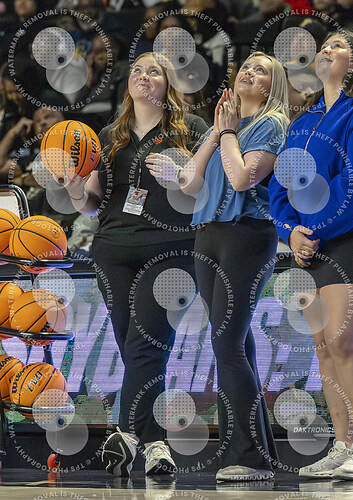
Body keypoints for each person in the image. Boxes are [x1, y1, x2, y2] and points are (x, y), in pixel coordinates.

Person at [61, 51, 208, 476]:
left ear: (169, 83)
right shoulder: (109, 135)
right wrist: (73, 185)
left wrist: (180, 179)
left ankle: (128, 434)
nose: (143, 76)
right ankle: (153, 443)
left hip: (172, 249)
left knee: (147, 344)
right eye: (137, 70)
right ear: (128, 83)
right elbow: (90, 204)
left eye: (154, 71)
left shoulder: (192, 129)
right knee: (133, 347)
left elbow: (210, 192)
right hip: (114, 249)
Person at [149, 52, 289, 481]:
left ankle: (250, 458)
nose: (249, 72)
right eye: (246, 66)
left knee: (227, 345)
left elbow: (243, 178)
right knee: (234, 344)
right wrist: (215, 132)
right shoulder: (225, 124)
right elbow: (192, 184)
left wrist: (227, 132)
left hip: (246, 234)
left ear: (272, 87)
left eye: (261, 70)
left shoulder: (271, 123)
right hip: (208, 232)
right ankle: (253, 453)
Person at [269, 30, 353, 480]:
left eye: (338, 46)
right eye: (323, 45)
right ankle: (342, 445)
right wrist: (290, 231)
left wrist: (314, 231)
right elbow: (280, 186)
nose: (326, 49)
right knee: (324, 348)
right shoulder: (303, 121)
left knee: (344, 341)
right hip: (312, 241)